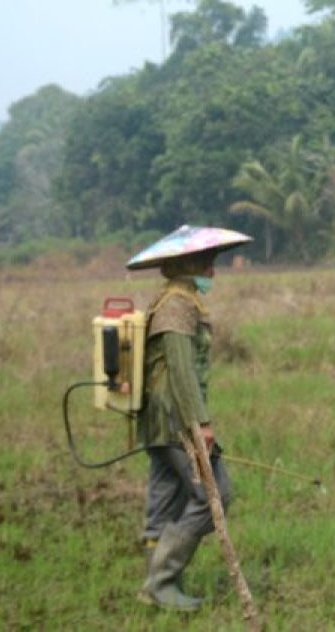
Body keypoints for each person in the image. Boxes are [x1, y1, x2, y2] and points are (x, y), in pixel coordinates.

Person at [125, 225, 251, 611]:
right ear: (189, 264)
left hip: (160, 421)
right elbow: (180, 370)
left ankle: (158, 588)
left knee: (163, 501)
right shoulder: (177, 305)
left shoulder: (176, 299)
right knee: (215, 494)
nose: (212, 272)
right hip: (175, 421)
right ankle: (160, 581)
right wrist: (200, 425)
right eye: (207, 264)